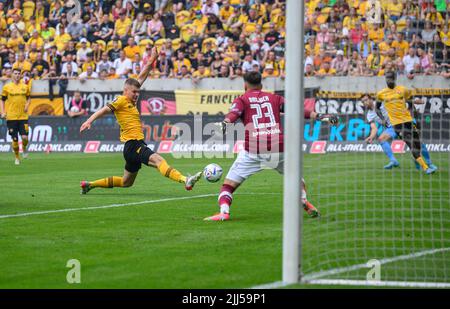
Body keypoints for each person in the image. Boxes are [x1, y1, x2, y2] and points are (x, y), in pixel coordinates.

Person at [204, 72, 337, 221]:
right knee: (297, 178)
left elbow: (233, 114)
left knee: (228, 185)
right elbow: (296, 109)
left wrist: (225, 124)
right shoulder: (274, 98)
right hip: (279, 147)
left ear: (245, 85)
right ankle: (303, 200)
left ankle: (224, 212)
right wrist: (319, 116)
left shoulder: (242, 100)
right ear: (261, 85)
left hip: (254, 150)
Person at [79, 48, 202, 194]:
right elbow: (104, 110)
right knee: (158, 160)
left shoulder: (129, 101)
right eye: (134, 92)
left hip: (133, 146)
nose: (137, 94)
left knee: (126, 182)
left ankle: (90, 184)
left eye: (138, 92)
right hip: (133, 144)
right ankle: (185, 180)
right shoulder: (121, 100)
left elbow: (142, 76)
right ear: (126, 90)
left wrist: (152, 60)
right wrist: (89, 121)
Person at [375, 72, 437, 174]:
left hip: (408, 121)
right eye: (387, 78)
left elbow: (411, 104)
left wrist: (416, 119)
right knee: (411, 144)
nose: (388, 80)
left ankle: (418, 159)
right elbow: (377, 108)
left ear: (395, 79)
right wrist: (382, 119)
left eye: (390, 78)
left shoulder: (403, 90)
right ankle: (426, 167)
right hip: (397, 125)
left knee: (418, 144)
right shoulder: (381, 94)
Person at [361, 93, 436, 170]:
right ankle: (393, 161)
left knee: (418, 142)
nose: (365, 103)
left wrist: (415, 101)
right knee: (381, 139)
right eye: (363, 102)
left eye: (366, 100)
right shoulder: (369, 115)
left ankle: (429, 163)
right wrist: (371, 137)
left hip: (402, 121)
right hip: (392, 128)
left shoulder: (382, 102)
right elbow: (374, 128)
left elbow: (400, 100)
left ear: (370, 99)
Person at [0, 68, 31, 165]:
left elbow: (29, 98)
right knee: (15, 139)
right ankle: (17, 157)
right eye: (15, 73)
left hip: (23, 116)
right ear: (12, 75)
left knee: (25, 138)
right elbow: (2, 100)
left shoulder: (25, 87)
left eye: (19, 74)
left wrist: (26, 105)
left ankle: (24, 148)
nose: (17, 75)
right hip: (11, 117)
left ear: (20, 76)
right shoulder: (7, 87)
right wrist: (3, 112)